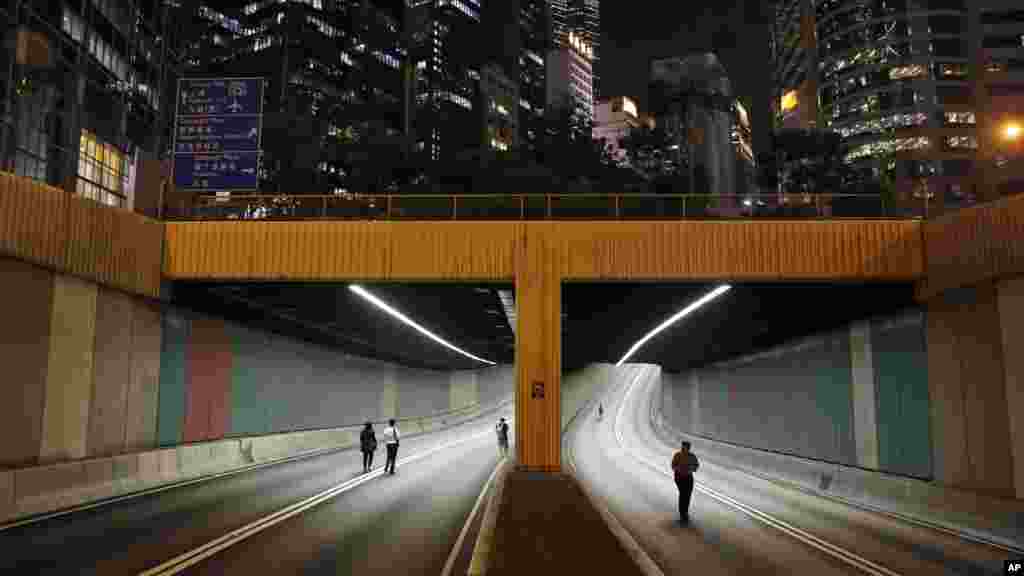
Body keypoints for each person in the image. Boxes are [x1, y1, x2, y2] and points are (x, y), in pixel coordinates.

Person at [671, 440, 700, 524]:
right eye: (682, 447)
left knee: (688, 495)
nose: (684, 449)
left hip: (688, 477)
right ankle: (682, 513)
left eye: (686, 448)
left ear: (688, 448)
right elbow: (673, 465)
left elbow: (696, 465)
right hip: (679, 477)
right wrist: (678, 469)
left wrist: (692, 469)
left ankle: (685, 512)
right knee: (683, 494)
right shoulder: (678, 455)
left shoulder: (692, 456)